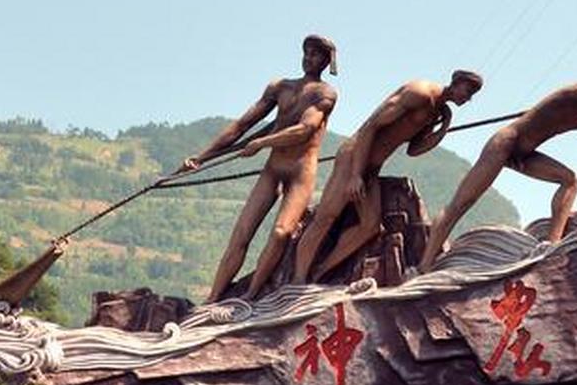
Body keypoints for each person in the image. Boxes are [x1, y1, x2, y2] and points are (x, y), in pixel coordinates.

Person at [423, 71, 577, 264]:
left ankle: (550, 247)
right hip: (506, 144)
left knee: (570, 180)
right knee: (461, 203)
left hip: (525, 154)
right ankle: (423, 265)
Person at [178, 34, 338, 301]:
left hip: (301, 170)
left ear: (326, 61)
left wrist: (262, 142)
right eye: (307, 52)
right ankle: (212, 298)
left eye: (316, 55)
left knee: (280, 233)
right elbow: (242, 126)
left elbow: (305, 130)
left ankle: (251, 297)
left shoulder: (325, 94)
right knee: (242, 233)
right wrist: (201, 158)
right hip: (274, 168)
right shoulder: (280, 87)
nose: (309, 59)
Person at [292, 70, 484, 284]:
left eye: (472, 95)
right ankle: (297, 281)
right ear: (456, 83)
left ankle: (319, 272)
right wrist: (356, 174)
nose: (467, 98)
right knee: (325, 218)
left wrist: (444, 125)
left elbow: (415, 150)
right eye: (467, 91)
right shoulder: (419, 92)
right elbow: (370, 127)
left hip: (372, 169)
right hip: (354, 158)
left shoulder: (437, 112)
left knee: (370, 226)